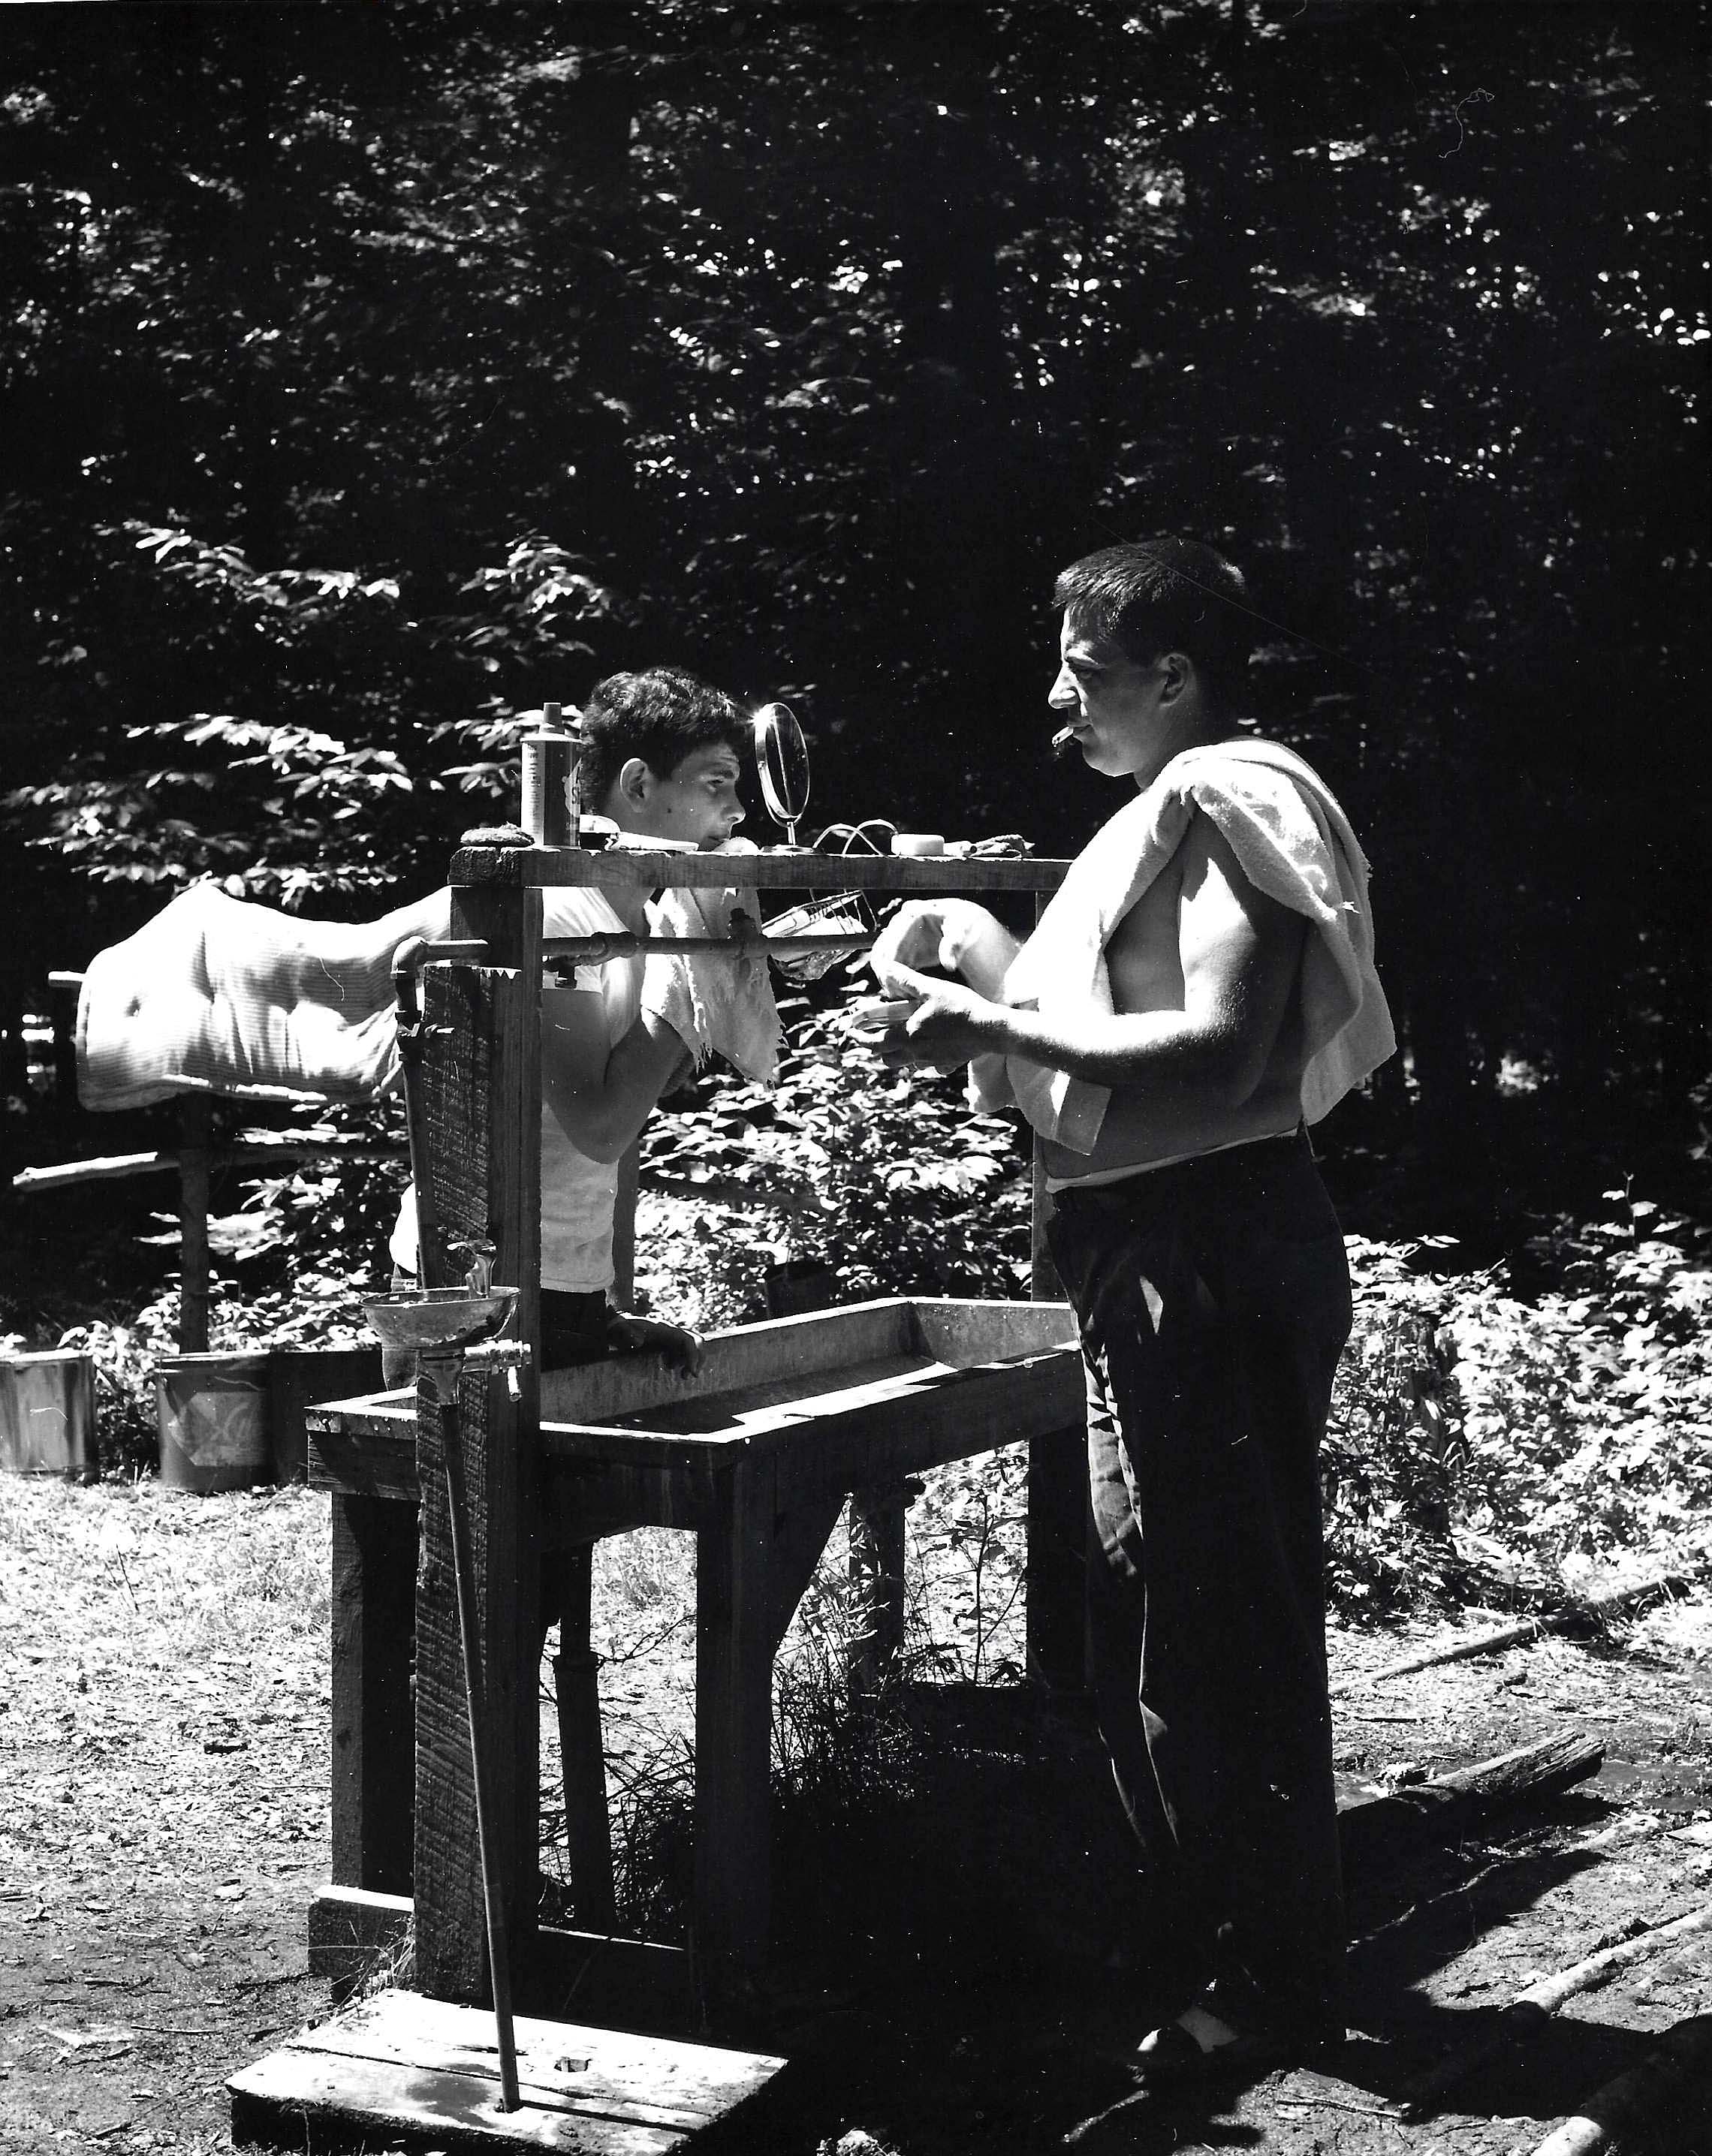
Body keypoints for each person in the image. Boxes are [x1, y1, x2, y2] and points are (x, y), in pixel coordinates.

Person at [870, 537, 1394, 2082]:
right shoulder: (1180, 807)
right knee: (1180, 1597)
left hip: (1203, 1251)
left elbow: (1222, 1049)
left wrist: (985, 1015)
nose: (1057, 697)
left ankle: (1263, 1983)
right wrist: (973, 943)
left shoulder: (1229, 793)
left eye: (1083, 670)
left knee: (1212, 1620)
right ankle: (1242, 1952)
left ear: (1173, 677)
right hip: (1164, 1248)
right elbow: (1108, 1017)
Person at [387, 665, 751, 1378]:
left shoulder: (645, 921)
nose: (737, 811)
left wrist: (605, 1308)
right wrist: (692, 988)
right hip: (476, 1292)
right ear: (639, 785)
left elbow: (614, 1145)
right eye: (717, 783)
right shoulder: (561, 915)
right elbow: (601, 1125)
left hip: (562, 1288)